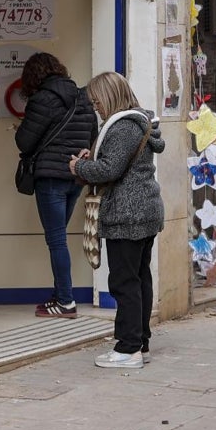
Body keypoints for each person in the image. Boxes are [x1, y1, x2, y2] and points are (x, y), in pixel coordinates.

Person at [69, 72, 165, 368]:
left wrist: (79, 166)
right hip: (143, 212)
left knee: (124, 282)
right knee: (139, 279)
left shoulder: (122, 126)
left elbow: (110, 170)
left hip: (128, 214)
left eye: (97, 101)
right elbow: (116, 162)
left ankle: (128, 348)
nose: (96, 106)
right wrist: (92, 159)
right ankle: (141, 342)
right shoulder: (135, 122)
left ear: (110, 97)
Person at [15, 53, 97, 319]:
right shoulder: (83, 98)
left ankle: (65, 301)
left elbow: (24, 142)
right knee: (59, 237)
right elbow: (92, 138)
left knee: (56, 240)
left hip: (51, 177)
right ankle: (61, 294)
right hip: (76, 177)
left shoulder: (42, 99)